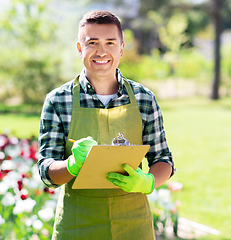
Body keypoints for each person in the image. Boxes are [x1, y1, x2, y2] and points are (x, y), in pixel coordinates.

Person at [38, 10, 175, 240]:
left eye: (110, 42)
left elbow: (163, 160)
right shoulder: (58, 100)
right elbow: (46, 171)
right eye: (92, 43)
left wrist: (147, 182)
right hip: (77, 225)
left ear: (121, 48)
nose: (101, 51)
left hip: (133, 225)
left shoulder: (143, 98)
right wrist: (71, 165)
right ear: (80, 49)